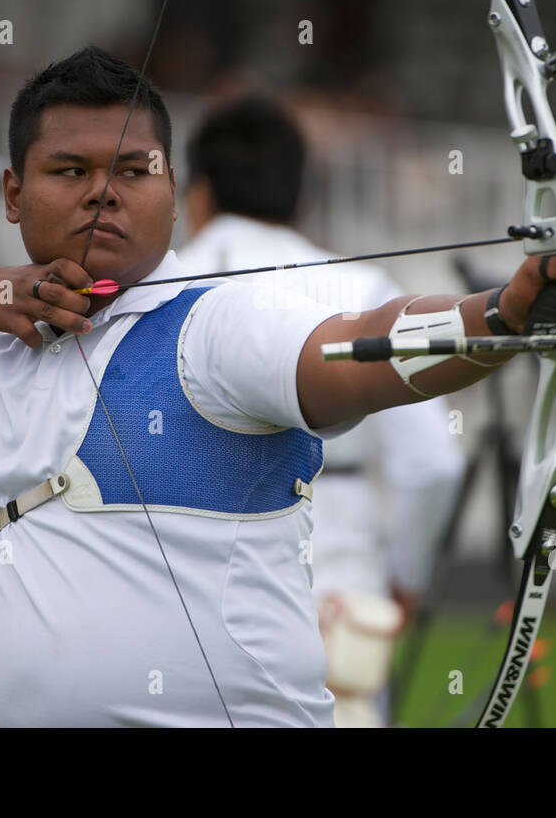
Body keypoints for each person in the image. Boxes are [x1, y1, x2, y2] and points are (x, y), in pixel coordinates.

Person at [0, 45, 556, 727]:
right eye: (70, 170)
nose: (104, 192)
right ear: (13, 192)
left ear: (176, 192)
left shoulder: (218, 326)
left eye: (134, 170)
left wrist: (504, 316)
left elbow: (356, 351)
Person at [179, 95, 463, 727]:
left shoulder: (164, 287)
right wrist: (405, 579)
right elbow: (433, 464)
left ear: (197, 194)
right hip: (339, 580)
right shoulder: (363, 289)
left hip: (186, 588)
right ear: (301, 197)